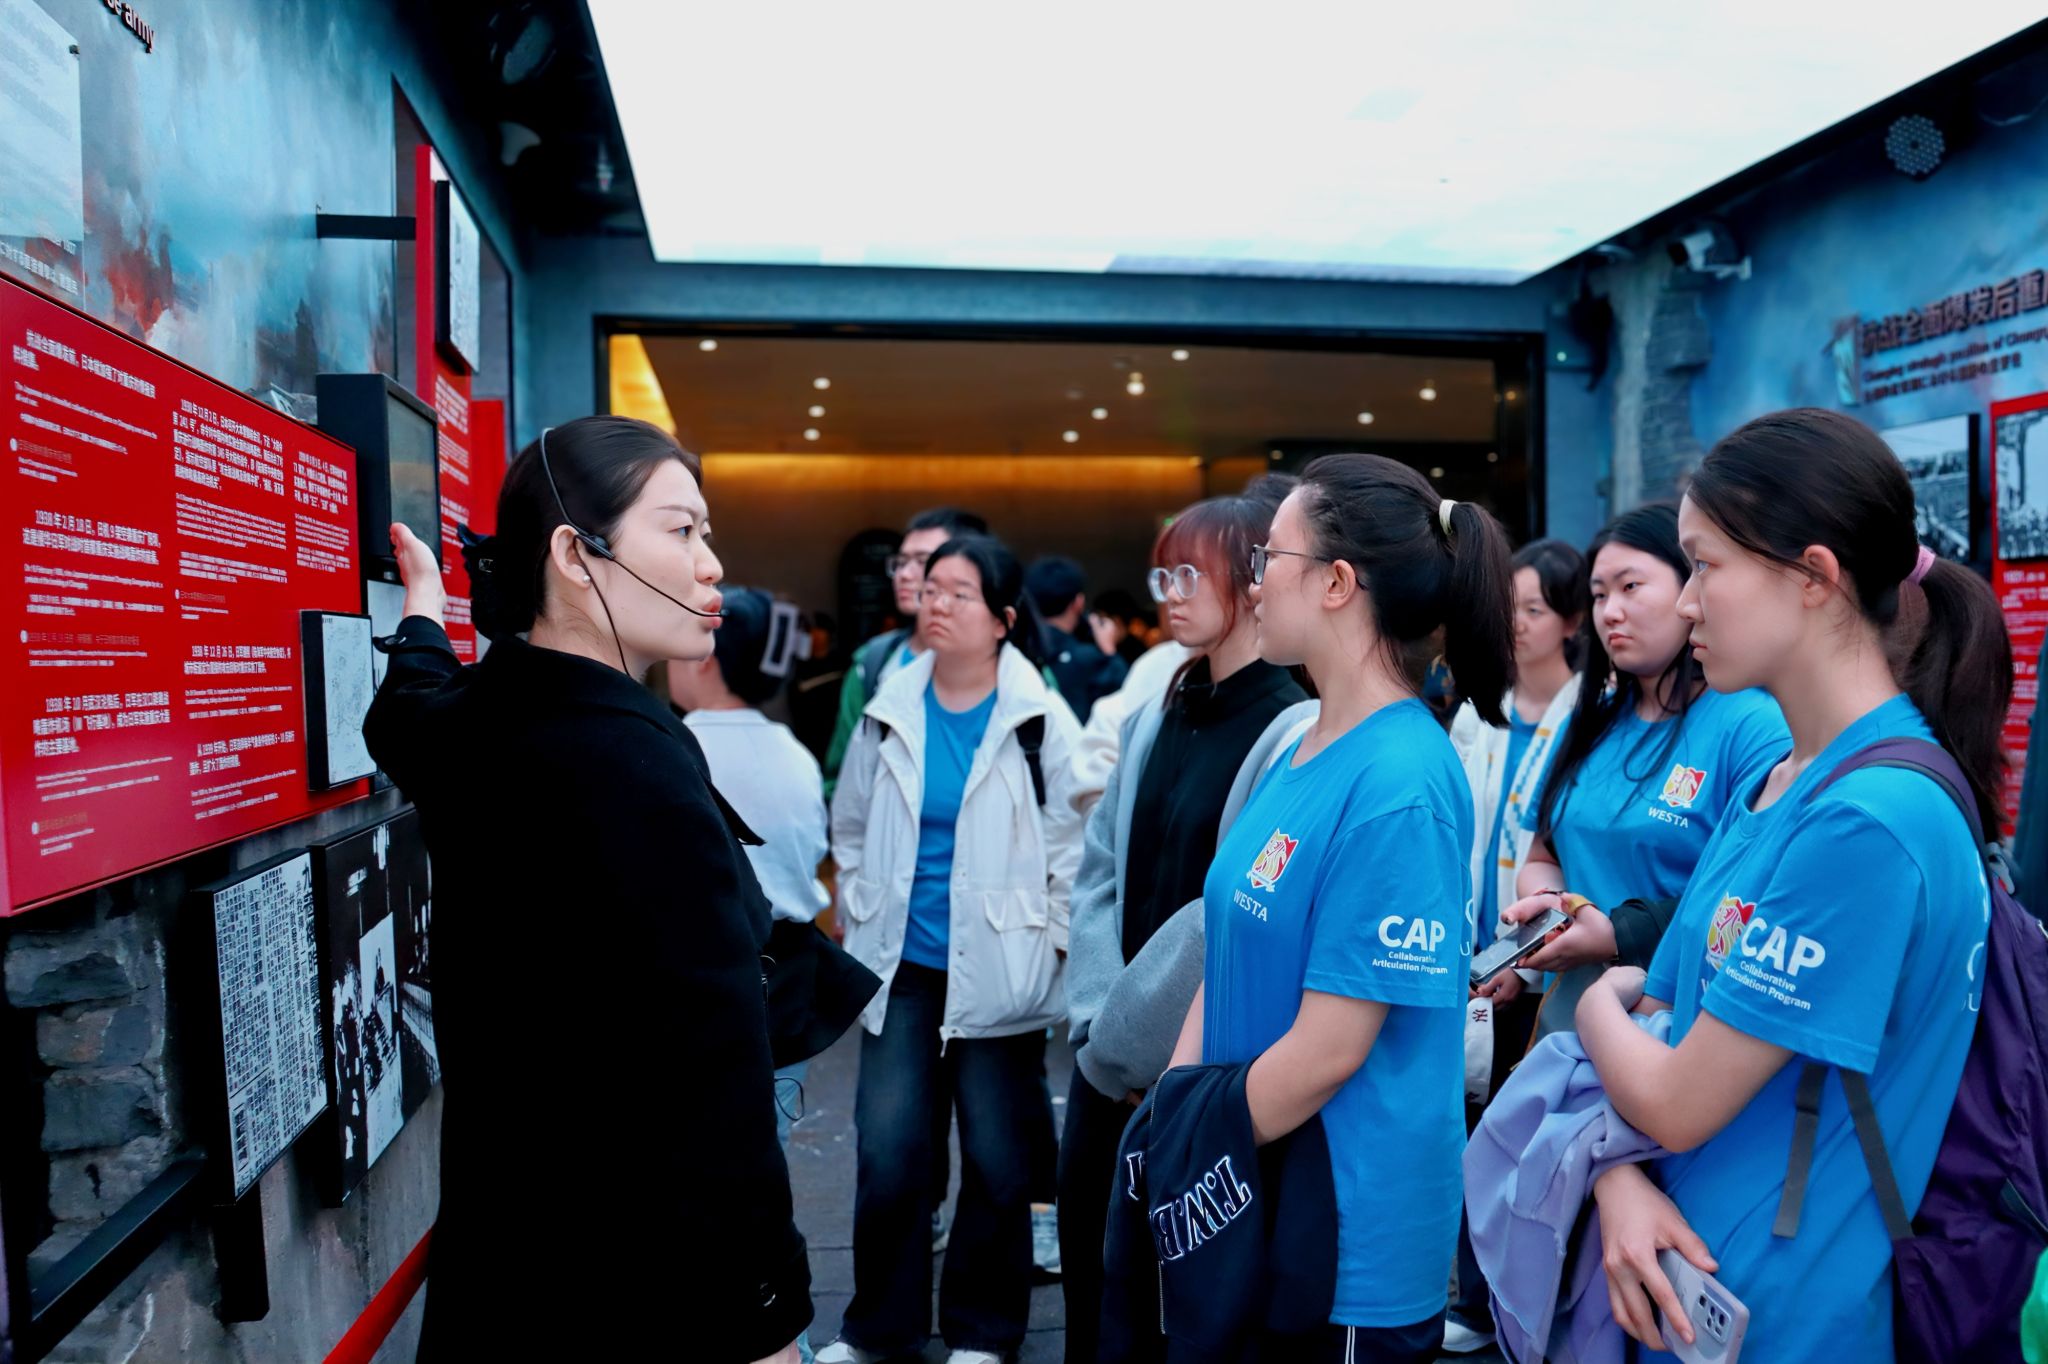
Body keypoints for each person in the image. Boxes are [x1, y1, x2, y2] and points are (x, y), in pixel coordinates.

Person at [364, 416, 808, 1363]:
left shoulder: (475, 721)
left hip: (507, 1265)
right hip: (641, 1286)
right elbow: (715, 1083)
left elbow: (406, 707)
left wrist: (424, 608)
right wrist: (767, 1311)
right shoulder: (628, 764)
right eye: (681, 530)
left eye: (706, 533)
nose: (710, 565)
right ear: (575, 554)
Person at [1575, 407, 2003, 1361]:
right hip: (1687, 1285)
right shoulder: (1781, 780)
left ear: (1813, 576)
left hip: (1794, 1319)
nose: (1688, 603)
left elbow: (1673, 1091)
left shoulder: (1870, 821)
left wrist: (1593, 1004)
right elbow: (1670, 1013)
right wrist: (1616, 1176)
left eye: (1705, 566)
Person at [1173, 455, 1517, 1362]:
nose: (1254, 583)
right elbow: (1227, 950)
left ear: (1336, 583)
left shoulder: (1400, 779)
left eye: (1269, 558)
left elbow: (1331, 1050)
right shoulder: (1303, 743)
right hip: (1253, 1192)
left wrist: (1191, 1145)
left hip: (1343, 1238)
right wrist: (1175, 1108)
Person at [1059, 494, 1312, 1364]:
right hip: (1106, 1058)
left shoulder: (1293, 731)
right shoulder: (1152, 715)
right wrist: (1101, 1024)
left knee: (1176, 1303)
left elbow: (1227, 917)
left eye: (1189, 574)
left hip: (1204, 1070)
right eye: (1161, 575)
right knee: (1094, 1283)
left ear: (1252, 577)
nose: (1168, 594)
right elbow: (1098, 877)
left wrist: (1137, 1041)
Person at [822, 535, 1085, 1364]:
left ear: (1003, 619)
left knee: (1000, 1163)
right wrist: (858, 902)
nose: (936, 602)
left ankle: (984, 1331)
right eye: (931, 587)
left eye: (959, 593)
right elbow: (850, 823)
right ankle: (880, 1329)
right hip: (902, 968)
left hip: (1001, 972)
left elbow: (1075, 846)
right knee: (889, 1153)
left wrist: (1052, 943)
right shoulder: (889, 703)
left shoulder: (1039, 719)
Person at [1502, 504, 1788, 1015]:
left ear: (1690, 589)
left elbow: (1762, 895)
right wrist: (1553, 911)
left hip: (1685, 1023)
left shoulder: (1753, 725)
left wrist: (1617, 935)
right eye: (1598, 595)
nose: (1610, 611)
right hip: (1570, 1027)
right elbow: (1543, 857)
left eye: (1630, 586)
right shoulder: (1589, 722)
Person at [1440, 537, 1586, 1355]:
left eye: (1534, 608)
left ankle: (1510, 1304)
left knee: (1526, 1135)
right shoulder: (1479, 713)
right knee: (1476, 1131)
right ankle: (1474, 1296)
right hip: (1477, 947)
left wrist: (1525, 959)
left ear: (1570, 621)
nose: (1519, 624)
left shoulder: (1588, 712)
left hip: (1547, 958)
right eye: (1511, 609)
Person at [824, 507, 989, 797]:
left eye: (923, 561)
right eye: (900, 562)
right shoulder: (872, 664)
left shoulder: (1016, 669)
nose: (904, 574)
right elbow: (840, 780)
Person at [1028, 555, 1128, 722]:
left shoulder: (1016, 653)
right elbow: (1124, 705)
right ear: (1078, 602)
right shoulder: (1091, 660)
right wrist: (1109, 652)